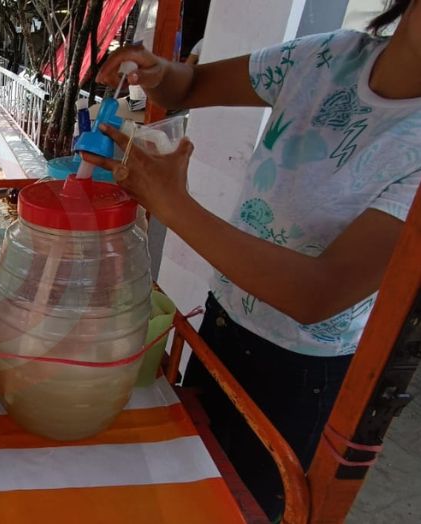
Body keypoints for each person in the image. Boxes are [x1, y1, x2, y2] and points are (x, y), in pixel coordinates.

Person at [85, 1, 420, 520]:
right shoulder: (331, 57)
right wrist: (157, 72)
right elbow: (191, 87)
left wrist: (173, 204)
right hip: (224, 322)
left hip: (300, 369)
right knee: (192, 486)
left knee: (244, 508)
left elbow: (318, 294)